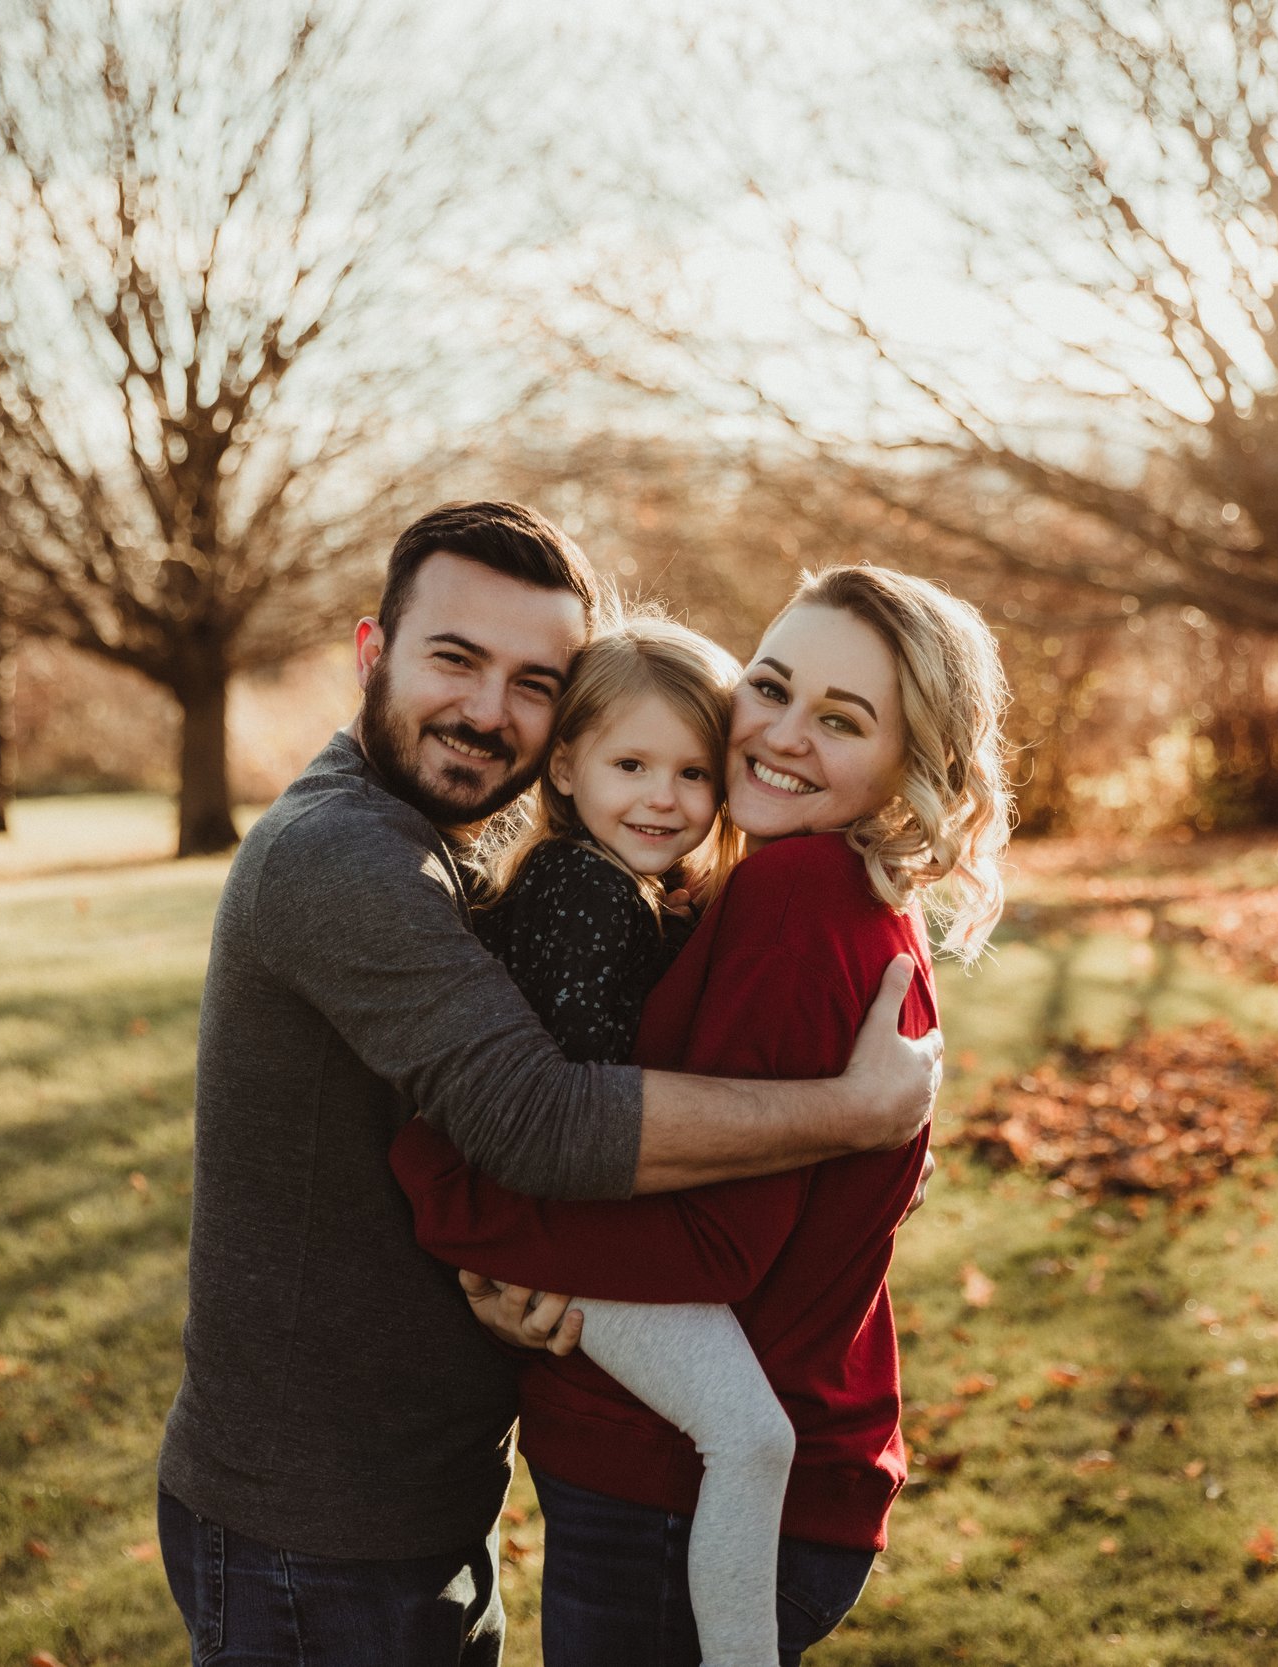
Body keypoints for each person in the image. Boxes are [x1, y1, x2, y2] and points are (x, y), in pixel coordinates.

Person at [156, 504, 945, 1667]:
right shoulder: (341, 856)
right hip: (313, 1520)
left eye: (535, 680)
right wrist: (855, 1114)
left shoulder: (477, 832)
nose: (489, 710)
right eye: (454, 659)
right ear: (372, 654)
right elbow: (544, 1119)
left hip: (421, 1491)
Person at [391, 565, 1013, 1665]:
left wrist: (464, 1216)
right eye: (770, 688)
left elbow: (716, 1240)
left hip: (672, 1487)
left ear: (910, 761)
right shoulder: (812, 890)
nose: (780, 734)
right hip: (741, 1456)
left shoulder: (798, 898)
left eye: (842, 717)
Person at [418, 616, 800, 1667]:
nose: (664, 797)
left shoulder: (622, 886)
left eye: (691, 771)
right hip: (560, 1225)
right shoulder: (581, 893)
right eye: (632, 763)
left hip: (561, 1219)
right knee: (752, 1436)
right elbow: (587, 1120)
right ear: (568, 763)